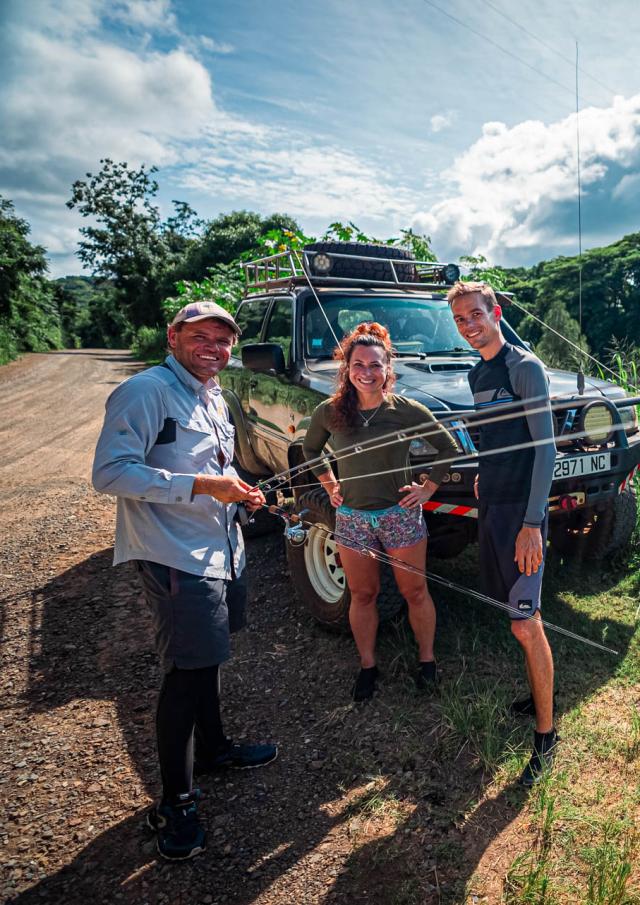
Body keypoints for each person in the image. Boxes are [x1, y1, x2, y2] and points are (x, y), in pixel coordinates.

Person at [92, 300, 277, 861]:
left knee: (209, 657)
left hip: (221, 548)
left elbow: (218, 466)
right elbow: (111, 472)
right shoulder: (146, 392)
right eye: (200, 337)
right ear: (172, 336)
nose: (213, 350)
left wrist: (241, 491)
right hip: (176, 555)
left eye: (223, 342)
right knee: (186, 671)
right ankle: (174, 801)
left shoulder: (215, 394)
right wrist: (200, 487)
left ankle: (215, 747)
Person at [302, 322, 458, 701]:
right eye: (359, 364)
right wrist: (330, 485)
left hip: (399, 514)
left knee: (415, 591)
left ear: (389, 368)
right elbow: (310, 451)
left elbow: (449, 448)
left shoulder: (406, 410)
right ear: (346, 367)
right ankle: (368, 666)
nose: (367, 373)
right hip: (353, 517)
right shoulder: (330, 411)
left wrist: (427, 488)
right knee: (363, 594)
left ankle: (427, 662)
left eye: (376, 365)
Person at [448, 281, 558, 786]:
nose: (470, 326)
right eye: (460, 320)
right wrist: (481, 474)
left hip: (521, 513)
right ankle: (537, 697)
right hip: (491, 503)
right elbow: (494, 436)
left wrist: (533, 524)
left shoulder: (524, 367)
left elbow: (546, 450)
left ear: (495, 312)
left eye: (476, 315)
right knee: (512, 612)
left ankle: (546, 734)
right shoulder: (477, 372)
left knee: (524, 622)